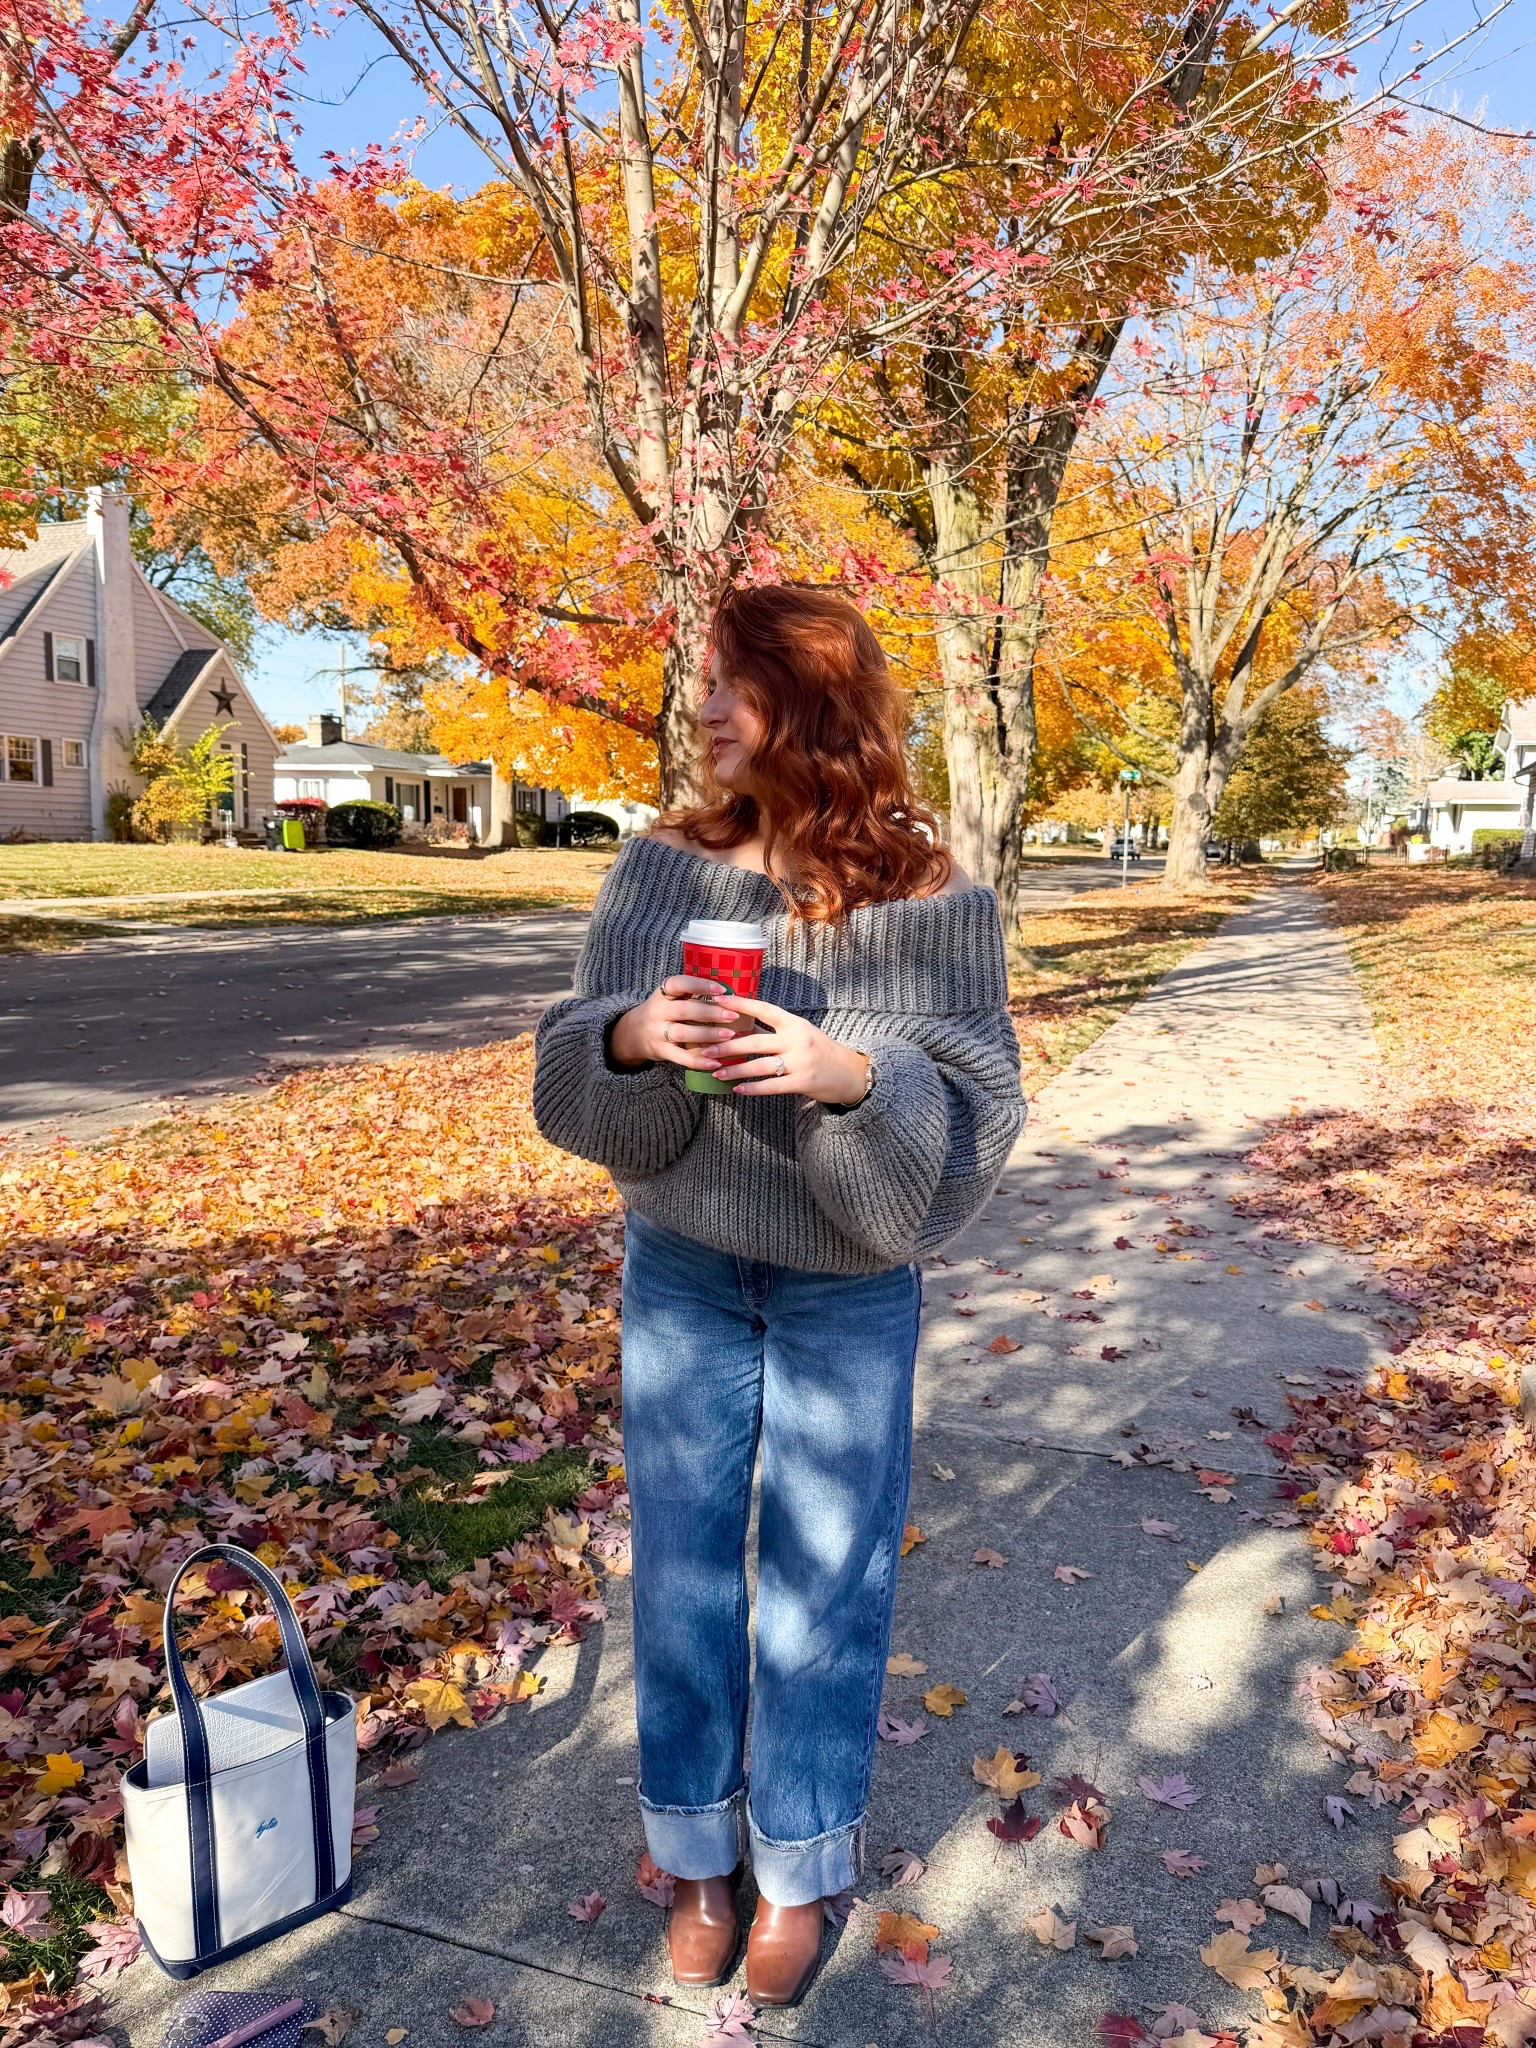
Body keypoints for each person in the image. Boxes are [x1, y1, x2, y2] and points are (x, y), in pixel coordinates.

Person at [532, 584, 1023, 2006]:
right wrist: (630, 1037)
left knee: (827, 1583)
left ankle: (799, 1870)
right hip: (681, 1266)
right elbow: (575, 1075)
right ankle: (695, 1854)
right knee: (682, 1569)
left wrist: (849, 1077)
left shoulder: (934, 901)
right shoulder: (659, 869)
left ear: (809, 703)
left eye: (729, 684)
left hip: (846, 1289)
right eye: (703, 682)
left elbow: (982, 1108)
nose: (702, 712)